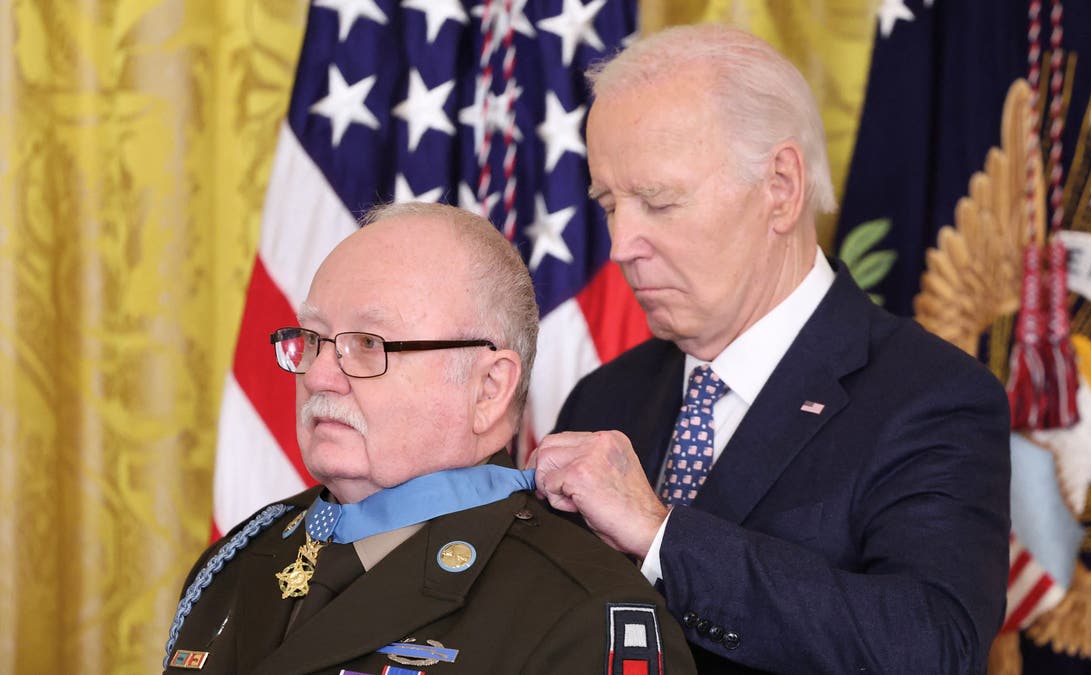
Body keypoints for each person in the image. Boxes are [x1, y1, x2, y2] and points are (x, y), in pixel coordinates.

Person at [531, 24, 1011, 674]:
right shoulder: (604, 396)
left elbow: (930, 646)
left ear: (781, 187)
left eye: (658, 202)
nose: (621, 245)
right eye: (610, 204)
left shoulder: (932, 396)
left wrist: (661, 534)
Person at [164, 202, 695, 674]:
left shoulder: (584, 611)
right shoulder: (237, 560)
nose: (320, 376)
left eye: (369, 344)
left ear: (489, 388)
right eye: (312, 339)